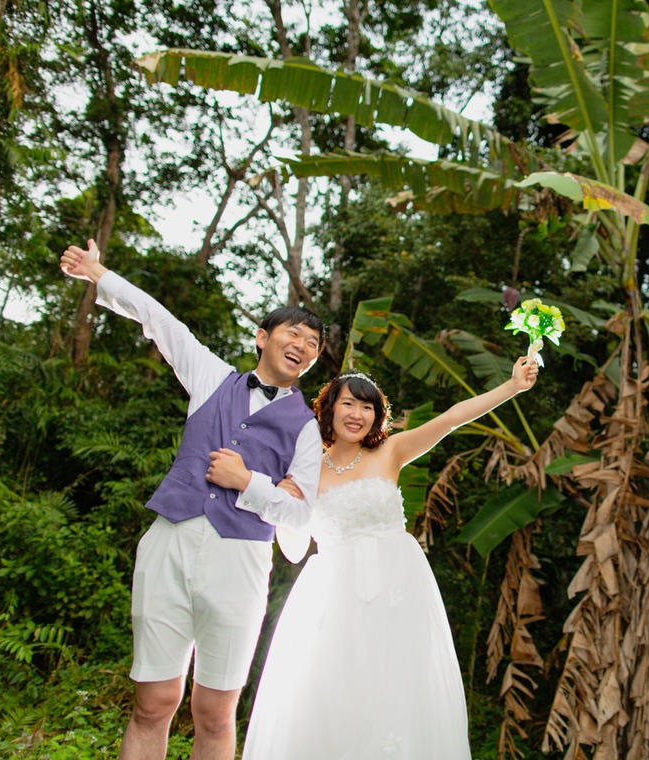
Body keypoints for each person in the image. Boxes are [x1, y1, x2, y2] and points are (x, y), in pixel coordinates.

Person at [59, 240, 325, 760]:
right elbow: (160, 321)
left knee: (215, 713)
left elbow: (301, 519)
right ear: (262, 337)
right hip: (170, 543)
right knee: (153, 703)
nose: (303, 344)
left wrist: (247, 481)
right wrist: (97, 273)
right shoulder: (210, 377)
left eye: (313, 342)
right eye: (292, 332)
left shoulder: (308, 431)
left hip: (241, 562)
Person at [241, 357, 539, 760]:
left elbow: (451, 419)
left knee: (399, 690)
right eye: (348, 404)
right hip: (333, 594)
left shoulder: (391, 451)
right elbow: (293, 552)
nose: (358, 414)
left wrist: (512, 387)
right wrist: (284, 495)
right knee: (333, 690)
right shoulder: (304, 472)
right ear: (329, 409)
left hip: (399, 587)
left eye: (368, 407)